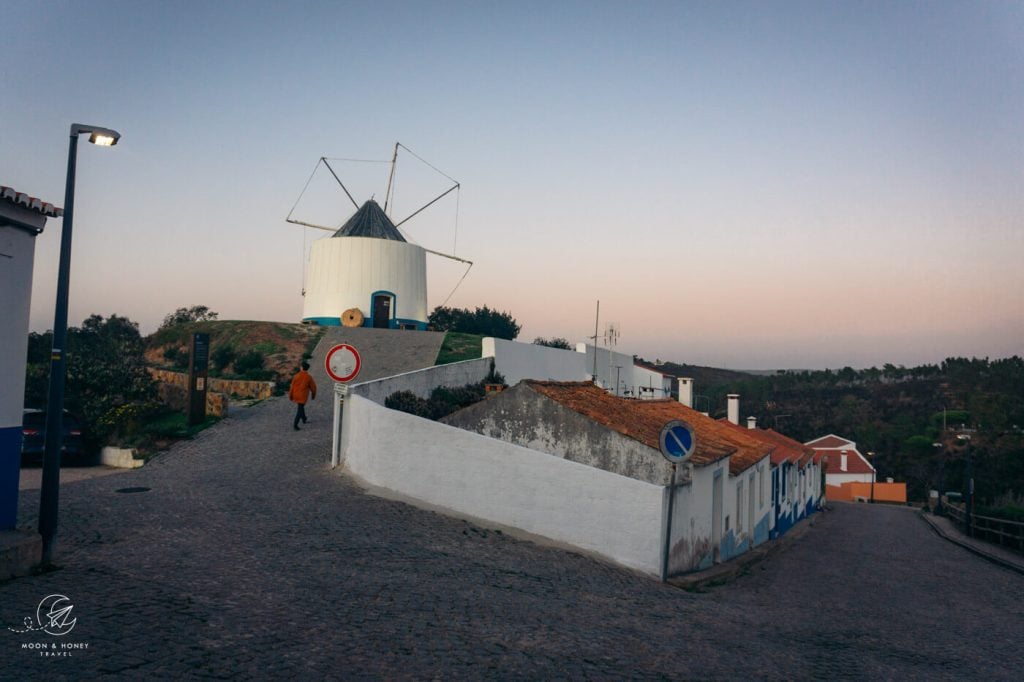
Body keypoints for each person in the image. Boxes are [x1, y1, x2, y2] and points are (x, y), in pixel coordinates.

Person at [289, 361, 317, 430]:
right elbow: (313, 388)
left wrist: (290, 396)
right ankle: (295, 424)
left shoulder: (296, 376)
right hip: (303, 396)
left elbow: (291, 387)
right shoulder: (309, 377)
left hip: (296, 395)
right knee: (300, 409)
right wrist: (313, 396)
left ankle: (304, 418)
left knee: (300, 407)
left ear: (301, 368)